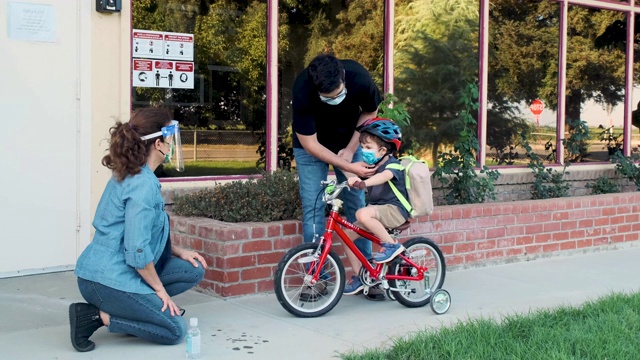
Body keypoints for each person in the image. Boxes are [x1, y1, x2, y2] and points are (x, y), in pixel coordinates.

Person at [69, 108, 207, 352]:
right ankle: (95, 317)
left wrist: (178, 251)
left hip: (121, 267)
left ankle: (140, 309)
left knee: (191, 269)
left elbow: (137, 235)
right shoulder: (142, 185)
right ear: (158, 144)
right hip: (105, 279)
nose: (172, 146)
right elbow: (137, 251)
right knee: (174, 329)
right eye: (169, 140)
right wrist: (160, 291)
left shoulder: (136, 174)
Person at [292, 53, 384, 301]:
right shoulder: (303, 88)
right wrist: (344, 164)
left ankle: (367, 276)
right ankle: (317, 278)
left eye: (338, 94)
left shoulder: (359, 77)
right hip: (312, 147)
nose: (334, 100)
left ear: (343, 78)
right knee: (313, 205)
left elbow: (370, 112)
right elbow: (310, 144)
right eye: (327, 98)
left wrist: (352, 150)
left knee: (357, 203)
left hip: (350, 141)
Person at [342, 118, 410, 295]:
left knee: (362, 213)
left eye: (368, 147)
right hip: (379, 211)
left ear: (383, 150)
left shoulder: (392, 164)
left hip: (395, 210)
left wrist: (364, 183)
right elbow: (354, 174)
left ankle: (391, 245)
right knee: (346, 236)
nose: (363, 151)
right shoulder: (371, 166)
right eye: (362, 147)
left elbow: (385, 176)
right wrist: (348, 172)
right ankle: (360, 277)